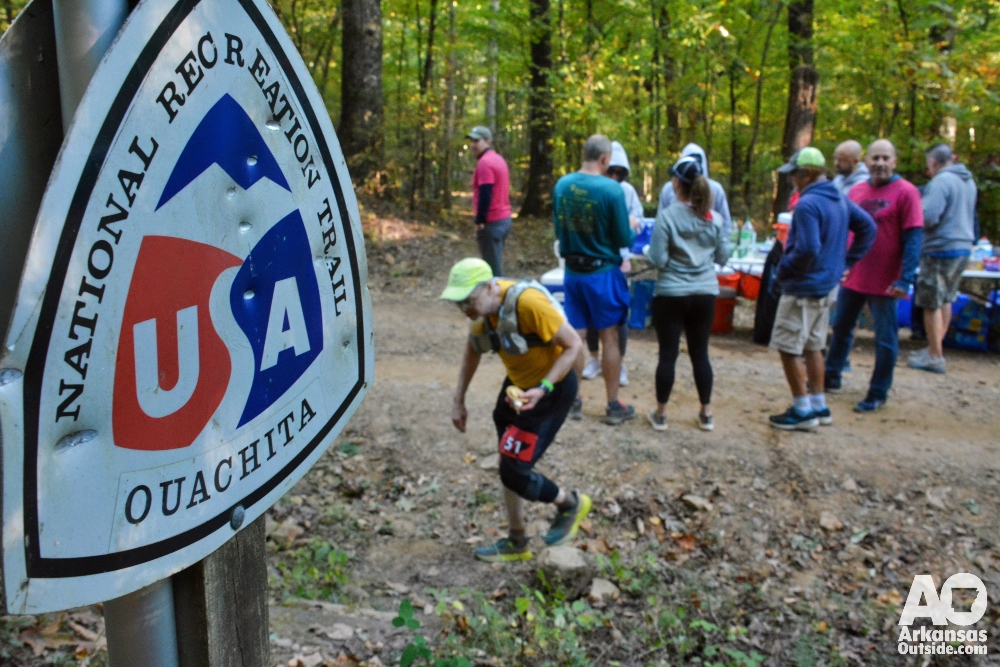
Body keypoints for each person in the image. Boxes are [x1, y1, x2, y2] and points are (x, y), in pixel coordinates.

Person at [444, 258, 591, 562]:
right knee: (507, 461)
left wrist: (545, 388)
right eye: (459, 303)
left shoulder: (528, 304)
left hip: (552, 391)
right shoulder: (484, 311)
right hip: (518, 389)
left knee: (514, 470)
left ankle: (570, 503)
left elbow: (574, 344)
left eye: (468, 301)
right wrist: (459, 400)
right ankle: (517, 540)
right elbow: (473, 348)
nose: (465, 309)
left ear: (489, 287)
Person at [767, 148, 876, 430]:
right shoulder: (838, 197)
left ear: (807, 175)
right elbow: (868, 228)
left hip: (803, 287)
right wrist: (844, 262)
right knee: (814, 346)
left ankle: (802, 409)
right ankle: (819, 404)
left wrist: (783, 270)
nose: (791, 179)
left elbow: (808, 248)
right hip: (826, 287)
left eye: (794, 174)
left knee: (788, 348)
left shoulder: (807, 204)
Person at [825, 139, 923, 412]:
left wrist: (905, 279)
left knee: (885, 338)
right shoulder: (856, 191)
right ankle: (831, 375)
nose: (879, 164)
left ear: (894, 162)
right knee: (842, 328)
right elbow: (844, 231)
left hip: (887, 281)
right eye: (875, 158)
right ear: (865, 163)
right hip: (854, 274)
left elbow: (914, 237)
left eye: (885, 158)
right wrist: (839, 265)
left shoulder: (907, 192)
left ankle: (877, 392)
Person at [553, 134, 637, 425]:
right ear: (604, 159)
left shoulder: (562, 185)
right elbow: (623, 237)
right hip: (602, 274)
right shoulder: (611, 190)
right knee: (609, 337)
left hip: (573, 273)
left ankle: (573, 401)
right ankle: (613, 405)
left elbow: (558, 229)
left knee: (575, 338)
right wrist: (634, 226)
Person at [647, 155, 731, 432]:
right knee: (700, 353)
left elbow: (657, 259)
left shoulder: (667, 216)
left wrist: (668, 260)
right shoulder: (715, 219)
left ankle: (661, 414)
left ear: (676, 184)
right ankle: (706, 413)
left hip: (671, 292)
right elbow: (722, 256)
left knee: (668, 354)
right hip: (705, 293)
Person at [909, 143, 978, 374]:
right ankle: (933, 349)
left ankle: (935, 356)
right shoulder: (967, 181)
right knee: (945, 298)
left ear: (934, 163)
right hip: (963, 247)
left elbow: (928, 217)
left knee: (930, 302)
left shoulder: (941, 181)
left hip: (941, 248)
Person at [582, 141, 642, 387]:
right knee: (592, 315)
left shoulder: (627, 191)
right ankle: (595, 358)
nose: (614, 176)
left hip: (619, 261)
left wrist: (629, 225)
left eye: (619, 172)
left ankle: (620, 363)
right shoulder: (592, 189)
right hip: (595, 262)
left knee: (619, 317)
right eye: (611, 171)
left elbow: (636, 220)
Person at [658, 143, 733, 239]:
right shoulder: (668, 189)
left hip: (708, 247)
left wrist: (720, 245)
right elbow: (660, 226)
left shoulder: (715, 190)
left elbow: (725, 226)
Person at [467, 126, 512, 277]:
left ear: (487, 141)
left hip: (492, 222)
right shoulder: (498, 159)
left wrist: (480, 219)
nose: (473, 145)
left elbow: (486, 192)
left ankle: (499, 299)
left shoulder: (485, 163)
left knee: (492, 270)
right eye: (471, 141)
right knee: (494, 264)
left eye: (476, 141)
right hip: (503, 220)